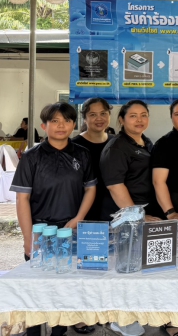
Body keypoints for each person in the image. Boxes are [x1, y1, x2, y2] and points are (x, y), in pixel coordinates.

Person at [11, 102, 96, 336]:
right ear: (44, 126)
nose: (61, 125)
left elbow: (90, 188)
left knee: (64, 286)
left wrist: (79, 218)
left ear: (74, 124)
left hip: (70, 230)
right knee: (36, 287)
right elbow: (22, 199)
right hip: (40, 231)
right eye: (55, 121)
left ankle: (59, 332)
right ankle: (33, 332)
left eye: (67, 121)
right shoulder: (32, 157)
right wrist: (29, 238)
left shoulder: (82, 154)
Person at [100, 100, 162, 221]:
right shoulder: (116, 147)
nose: (139, 120)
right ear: (122, 120)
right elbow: (115, 186)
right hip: (125, 215)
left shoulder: (147, 142)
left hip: (146, 208)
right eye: (133, 116)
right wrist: (137, 215)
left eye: (144, 115)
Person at [72, 98, 114, 221]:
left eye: (103, 113)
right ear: (85, 119)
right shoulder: (74, 146)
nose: (99, 118)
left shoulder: (116, 142)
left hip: (112, 208)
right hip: (83, 209)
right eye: (93, 115)